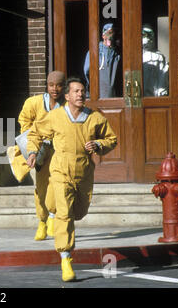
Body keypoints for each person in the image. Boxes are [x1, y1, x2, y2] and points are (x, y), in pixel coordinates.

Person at [26, 77, 117, 282]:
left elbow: (112, 139)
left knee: (79, 211)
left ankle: (51, 208)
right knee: (65, 213)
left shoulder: (95, 118)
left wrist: (98, 145)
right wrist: (32, 151)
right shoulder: (55, 116)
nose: (80, 94)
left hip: (84, 171)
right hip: (60, 170)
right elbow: (36, 132)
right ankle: (66, 258)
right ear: (67, 96)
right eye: (76, 91)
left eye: (82, 91)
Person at [7, 71, 66, 241]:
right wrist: (32, 142)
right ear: (46, 86)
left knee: (57, 184)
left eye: (59, 85)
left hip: (58, 151)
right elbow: (24, 121)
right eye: (51, 85)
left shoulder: (67, 107)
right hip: (38, 150)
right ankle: (42, 221)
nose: (55, 89)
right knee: (42, 188)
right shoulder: (33, 103)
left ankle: (53, 218)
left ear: (64, 86)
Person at [83, 23, 121, 98]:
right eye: (110, 33)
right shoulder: (95, 52)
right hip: (97, 95)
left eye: (114, 33)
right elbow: (87, 72)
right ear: (103, 36)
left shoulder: (117, 53)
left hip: (114, 96)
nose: (112, 36)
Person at [142, 24, 169, 96]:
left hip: (154, 95)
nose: (146, 40)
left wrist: (161, 91)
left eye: (149, 36)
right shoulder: (137, 56)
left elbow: (162, 75)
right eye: (144, 35)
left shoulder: (159, 57)